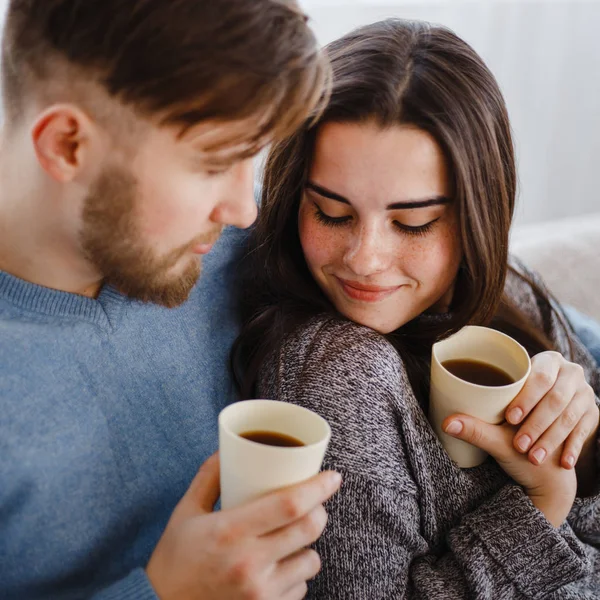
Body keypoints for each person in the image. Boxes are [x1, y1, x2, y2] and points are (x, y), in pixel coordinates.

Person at [234, 19, 600, 598]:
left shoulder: (508, 293)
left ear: (477, 215)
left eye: (413, 223)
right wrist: (539, 506)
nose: (365, 259)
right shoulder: (342, 374)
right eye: (331, 212)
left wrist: (585, 413)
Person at [0, 1, 342, 598]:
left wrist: (556, 380)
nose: (246, 209)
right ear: (68, 145)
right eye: (213, 164)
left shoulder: (229, 243)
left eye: (252, 158)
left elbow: (473, 280)